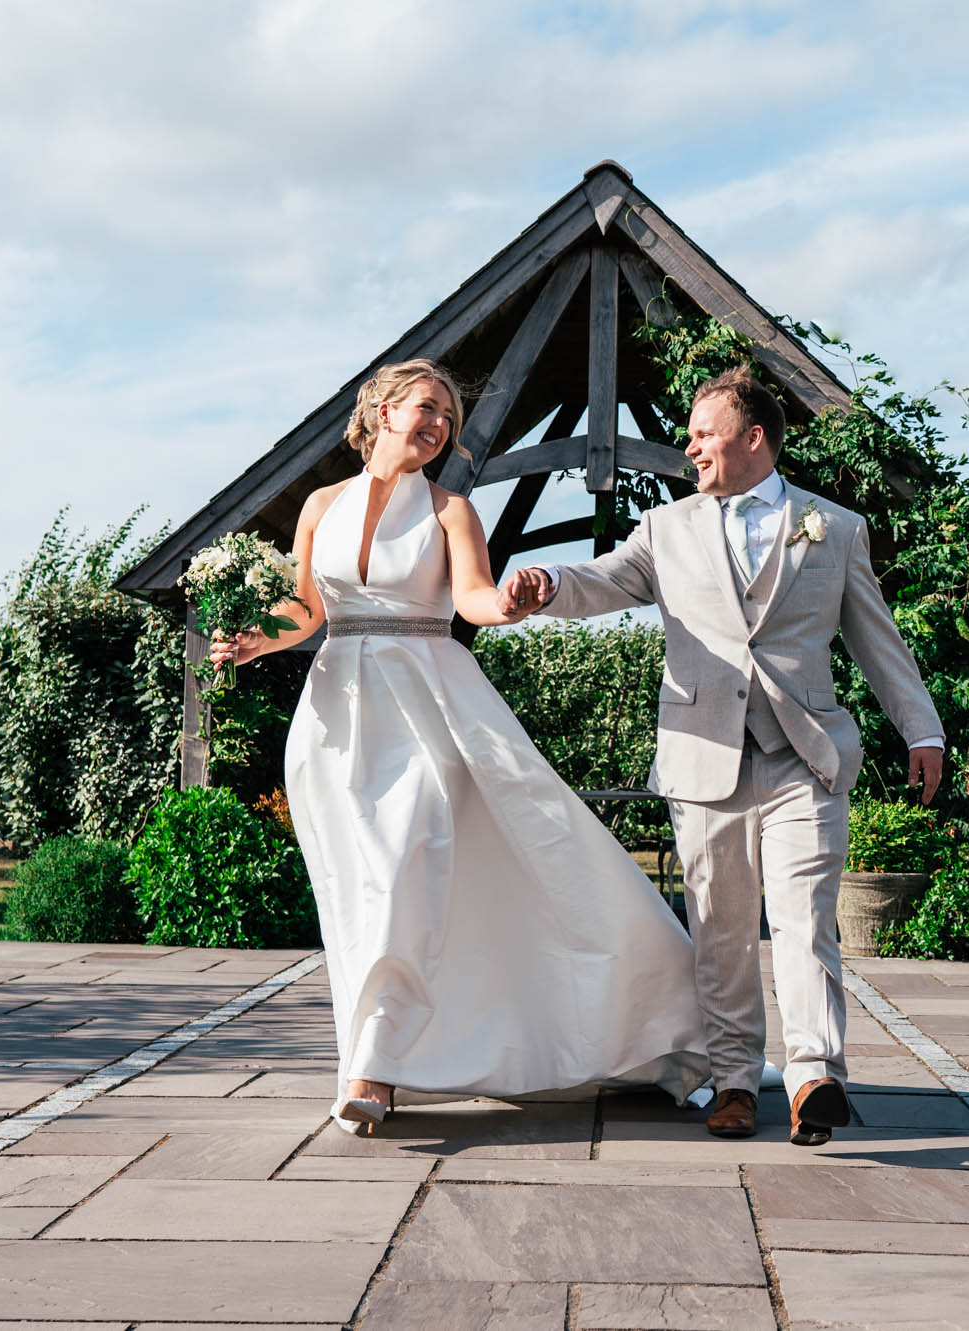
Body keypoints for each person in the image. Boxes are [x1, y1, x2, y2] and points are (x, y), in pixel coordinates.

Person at [211, 359, 707, 1134]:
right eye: (427, 406)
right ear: (379, 410)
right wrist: (253, 641)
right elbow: (306, 607)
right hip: (338, 719)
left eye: (447, 411)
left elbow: (473, 599)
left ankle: (372, 1070)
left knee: (404, 866)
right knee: (357, 885)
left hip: (427, 708)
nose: (440, 423)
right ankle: (377, 1051)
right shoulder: (320, 504)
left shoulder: (451, 513)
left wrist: (511, 601)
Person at [501, 365, 945, 1147]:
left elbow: (877, 639)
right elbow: (604, 580)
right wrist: (547, 585)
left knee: (806, 922)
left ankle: (815, 1076)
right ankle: (736, 1078)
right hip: (703, 756)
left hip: (805, 757)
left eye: (705, 432)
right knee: (722, 928)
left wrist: (923, 728)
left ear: (754, 437)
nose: (691, 445)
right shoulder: (667, 530)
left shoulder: (834, 528)